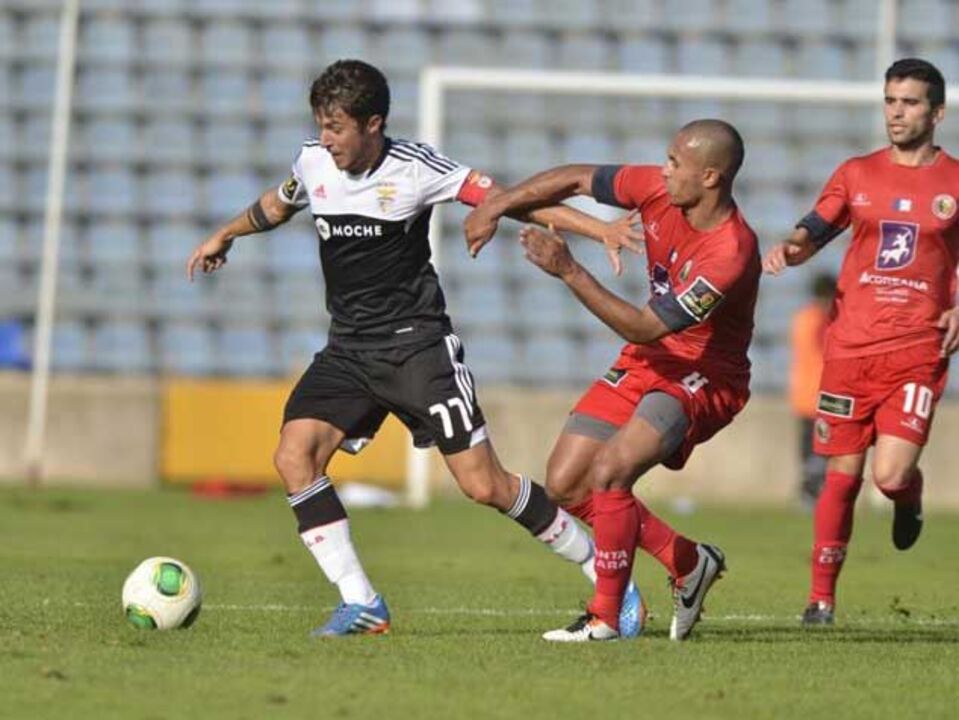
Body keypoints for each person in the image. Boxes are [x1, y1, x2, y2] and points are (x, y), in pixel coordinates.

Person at [186, 59, 646, 637]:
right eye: (321, 126)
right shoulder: (313, 160)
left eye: (336, 129)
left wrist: (595, 228)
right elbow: (278, 203)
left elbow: (507, 199)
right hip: (348, 351)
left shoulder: (416, 168)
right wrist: (226, 233)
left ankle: (612, 583)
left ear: (372, 124)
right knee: (294, 456)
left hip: (417, 349)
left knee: (486, 486)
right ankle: (362, 602)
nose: (326, 141)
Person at [464, 118, 760, 641]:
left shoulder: (729, 253)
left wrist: (570, 271)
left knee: (611, 470)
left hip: (705, 376)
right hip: (648, 359)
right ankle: (687, 561)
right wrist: (494, 205)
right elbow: (577, 178)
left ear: (711, 176)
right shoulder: (656, 188)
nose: (663, 171)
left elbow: (646, 324)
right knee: (566, 483)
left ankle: (603, 618)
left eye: (675, 164)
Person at [763, 58, 959, 626]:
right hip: (849, 348)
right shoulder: (857, 172)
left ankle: (909, 496)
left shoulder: (954, 182)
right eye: (890, 101)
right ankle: (821, 598)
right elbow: (819, 224)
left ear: (937, 112)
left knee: (889, 475)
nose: (897, 112)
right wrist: (793, 247)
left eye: (910, 102)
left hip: (918, 349)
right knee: (840, 477)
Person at [789, 273, 835, 507]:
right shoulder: (821, 320)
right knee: (821, 449)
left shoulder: (802, 317)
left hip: (802, 393)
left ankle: (808, 493)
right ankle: (811, 493)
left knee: (809, 448)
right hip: (820, 394)